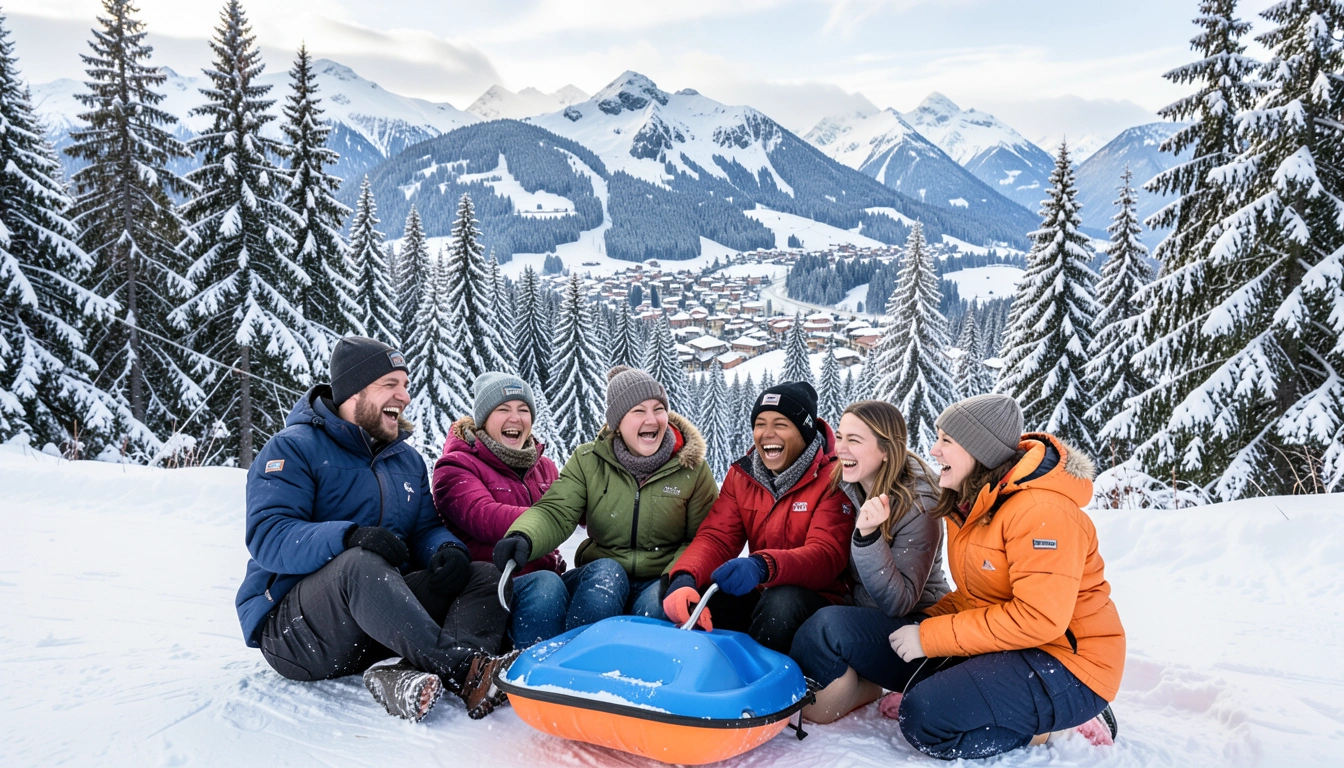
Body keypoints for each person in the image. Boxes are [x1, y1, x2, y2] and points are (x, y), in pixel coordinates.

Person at [236, 337, 514, 723]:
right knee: (359, 564)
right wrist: (347, 536)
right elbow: (269, 535)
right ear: (354, 390)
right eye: (390, 385)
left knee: (482, 575)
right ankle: (466, 670)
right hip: (296, 635)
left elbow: (424, 528)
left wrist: (444, 550)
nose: (405, 396)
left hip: (375, 625)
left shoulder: (405, 458)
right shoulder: (294, 448)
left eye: (405, 384)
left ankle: (410, 673)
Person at [875, 394, 1125, 759]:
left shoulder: (1042, 512)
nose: (934, 450)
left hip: (1073, 666)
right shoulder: (978, 502)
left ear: (980, 452)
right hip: (1019, 647)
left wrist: (929, 638)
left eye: (947, 441)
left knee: (925, 721)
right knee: (920, 682)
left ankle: (1053, 725)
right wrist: (923, 622)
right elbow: (978, 597)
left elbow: (1039, 618)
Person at [493, 366, 717, 648]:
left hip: (662, 576)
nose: (652, 419)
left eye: (658, 409)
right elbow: (557, 511)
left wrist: (680, 578)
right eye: (638, 411)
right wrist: (524, 536)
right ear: (617, 421)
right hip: (601, 574)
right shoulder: (589, 461)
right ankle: (576, 658)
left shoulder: (691, 469)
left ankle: (638, 678)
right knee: (606, 577)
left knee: (658, 608)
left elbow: (704, 536)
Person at [662, 381, 853, 653]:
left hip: (822, 601)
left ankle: (762, 684)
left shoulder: (833, 478)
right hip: (764, 591)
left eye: (781, 424)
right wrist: (684, 578)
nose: (767, 434)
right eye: (760, 423)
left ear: (805, 432)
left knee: (781, 602)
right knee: (700, 595)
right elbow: (717, 538)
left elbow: (826, 555)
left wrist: (763, 565)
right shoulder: (743, 476)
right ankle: (700, 674)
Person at [789, 400, 950, 723]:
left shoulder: (919, 504)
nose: (841, 448)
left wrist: (868, 537)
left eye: (855, 440)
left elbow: (898, 601)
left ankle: (872, 686)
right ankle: (850, 679)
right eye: (841, 436)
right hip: (862, 608)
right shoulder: (846, 482)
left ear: (887, 451)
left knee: (824, 631)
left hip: (916, 627)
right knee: (787, 604)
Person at [433, 373, 564, 577]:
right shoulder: (455, 465)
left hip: (551, 574)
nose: (515, 418)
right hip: (496, 583)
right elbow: (485, 516)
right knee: (545, 583)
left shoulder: (545, 467)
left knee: (605, 572)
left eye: (523, 410)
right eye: (503, 409)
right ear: (483, 420)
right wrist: (555, 516)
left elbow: (582, 506)